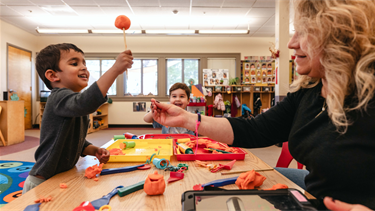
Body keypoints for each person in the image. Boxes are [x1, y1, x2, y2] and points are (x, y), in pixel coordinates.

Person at [149, 0, 375, 210]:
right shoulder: (309, 90)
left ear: (337, 37)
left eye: (303, 33)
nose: (291, 43)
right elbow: (255, 129)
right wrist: (187, 119)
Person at [23, 43, 133, 194]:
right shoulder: (58, 97)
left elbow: (75, 141)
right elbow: (86, 102)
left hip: (61, 178)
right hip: (42, 181)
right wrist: (115, 70)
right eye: (74, 63)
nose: (83, 68)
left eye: (84, 63)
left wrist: (94, 150)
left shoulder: (72, 104)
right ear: (53, 75)